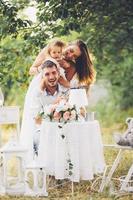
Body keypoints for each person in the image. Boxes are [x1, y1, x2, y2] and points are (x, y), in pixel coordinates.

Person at [20, 60, 67, 160]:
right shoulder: (36, 94)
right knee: (40, 139)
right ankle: (47, 172)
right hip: (43, 131)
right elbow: (37, 119)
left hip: (65, 129)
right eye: (47, 74)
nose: (51, 77)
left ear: (58, 73)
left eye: (54, 73)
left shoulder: (65, 90)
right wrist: (54, 105)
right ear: (42, 76)